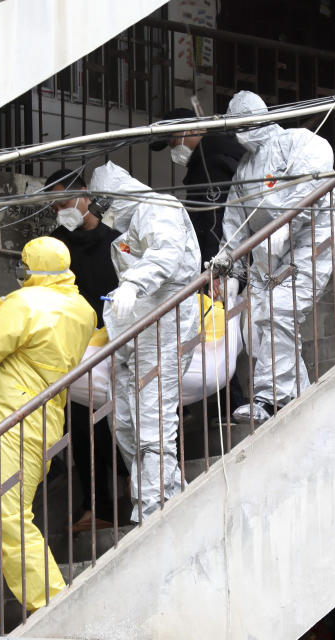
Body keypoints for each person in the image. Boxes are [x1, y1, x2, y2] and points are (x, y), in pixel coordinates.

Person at [0, 236, 96, 635]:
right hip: (41, 420)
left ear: (32, 269)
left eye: (24, 268)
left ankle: (54, 603)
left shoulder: (24, 303)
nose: (22, 275)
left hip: (9, 421)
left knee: (4, 516)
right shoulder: (82, 310)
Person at [221, 90, 335, 425]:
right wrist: (226, 262)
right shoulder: (244, 169)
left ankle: (269, 399)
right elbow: (235, 220)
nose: (241, 134)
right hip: (268, 258)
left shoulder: (297, 142)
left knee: (280, 311)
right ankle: (300, 398)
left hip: (312, 242)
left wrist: (287, 221)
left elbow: (315, 181)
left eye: (244, 125)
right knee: (263, 325)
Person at [95, 160, 200, 522]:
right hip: (137, 333)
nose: (105, 215)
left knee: (151, 415)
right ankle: (165, 489)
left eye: (106, 205)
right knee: (124, 421)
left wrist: (134, 283)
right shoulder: (131, 225)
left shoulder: (158, 208)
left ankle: (154, 505)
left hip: (165, 327)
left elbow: (165, 254)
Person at [46, 168, 125, 531]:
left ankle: (136, 488)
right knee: (81, 428)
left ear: (84, 195)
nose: (60, 208)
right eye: (54, 203)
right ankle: (97, 507)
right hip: (78, 351)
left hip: (120, 343)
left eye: (64, 199)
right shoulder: (55, 245)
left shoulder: (117, 240)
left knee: (124, 421)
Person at [150, 107, 247, 269]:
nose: (173, 150)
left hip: (222, 261)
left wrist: (212, 268)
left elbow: (214, 219)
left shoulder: (212, 162)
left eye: (173, 143)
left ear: (190, 129)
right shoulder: (211, 156)